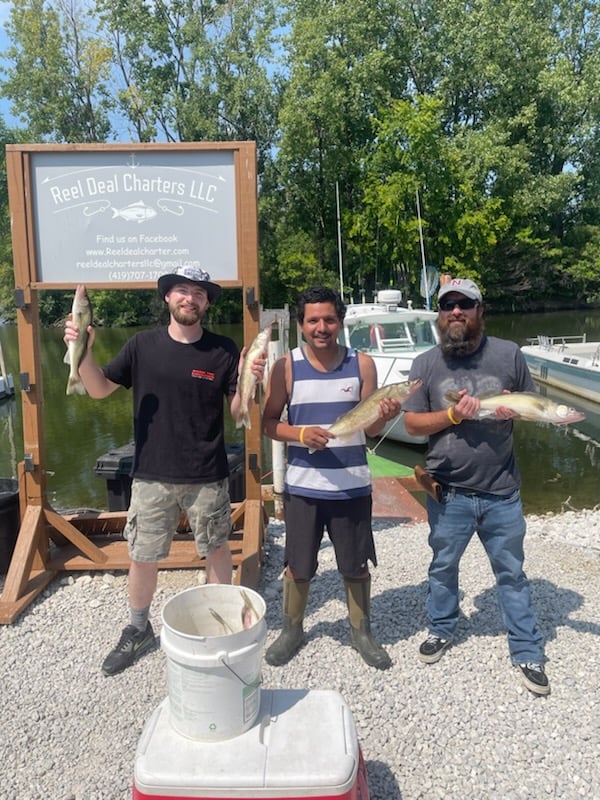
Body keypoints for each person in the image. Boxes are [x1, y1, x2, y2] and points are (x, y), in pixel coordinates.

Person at [64, 266, 265, 676]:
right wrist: (81, 352)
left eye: (198, 293)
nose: (190, 298)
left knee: (218, 549)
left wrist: (252, 382)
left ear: (207, 302)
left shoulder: (224, 350)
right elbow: (100, 389)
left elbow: (238, 411)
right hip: (151, 474)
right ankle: (138, 629)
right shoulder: (141, 346)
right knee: (142, 555)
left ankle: (219, 622)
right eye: (181, 291)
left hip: (207, 474)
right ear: (167, 298)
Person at [402, 277, 550, 696]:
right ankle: (441, 627)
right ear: (439, 314)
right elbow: (412, 424)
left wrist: (513, 410)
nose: (455, 313)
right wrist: (453, 417)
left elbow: (533, 408)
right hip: (447, 491)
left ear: (479, 312)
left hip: (502, 490)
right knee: (443, 567)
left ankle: (526, 649)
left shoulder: (509, 354)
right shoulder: (426, 363)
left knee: (512, 573)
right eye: (448, 306)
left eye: (464, 305)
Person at [262, 286, 401, 670]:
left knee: (355, 563)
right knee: (298, 563)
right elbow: (268, 423)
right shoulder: (286, 366)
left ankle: (361, 631)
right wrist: (301, 434)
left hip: (352, 485)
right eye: (313, 320)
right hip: (304, 488)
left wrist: (385, 415)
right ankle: (292, 629)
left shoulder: (362, 364)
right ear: (302, 325)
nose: (321, 327)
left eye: (329, 319)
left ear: (340, 322)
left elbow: (371, 431)